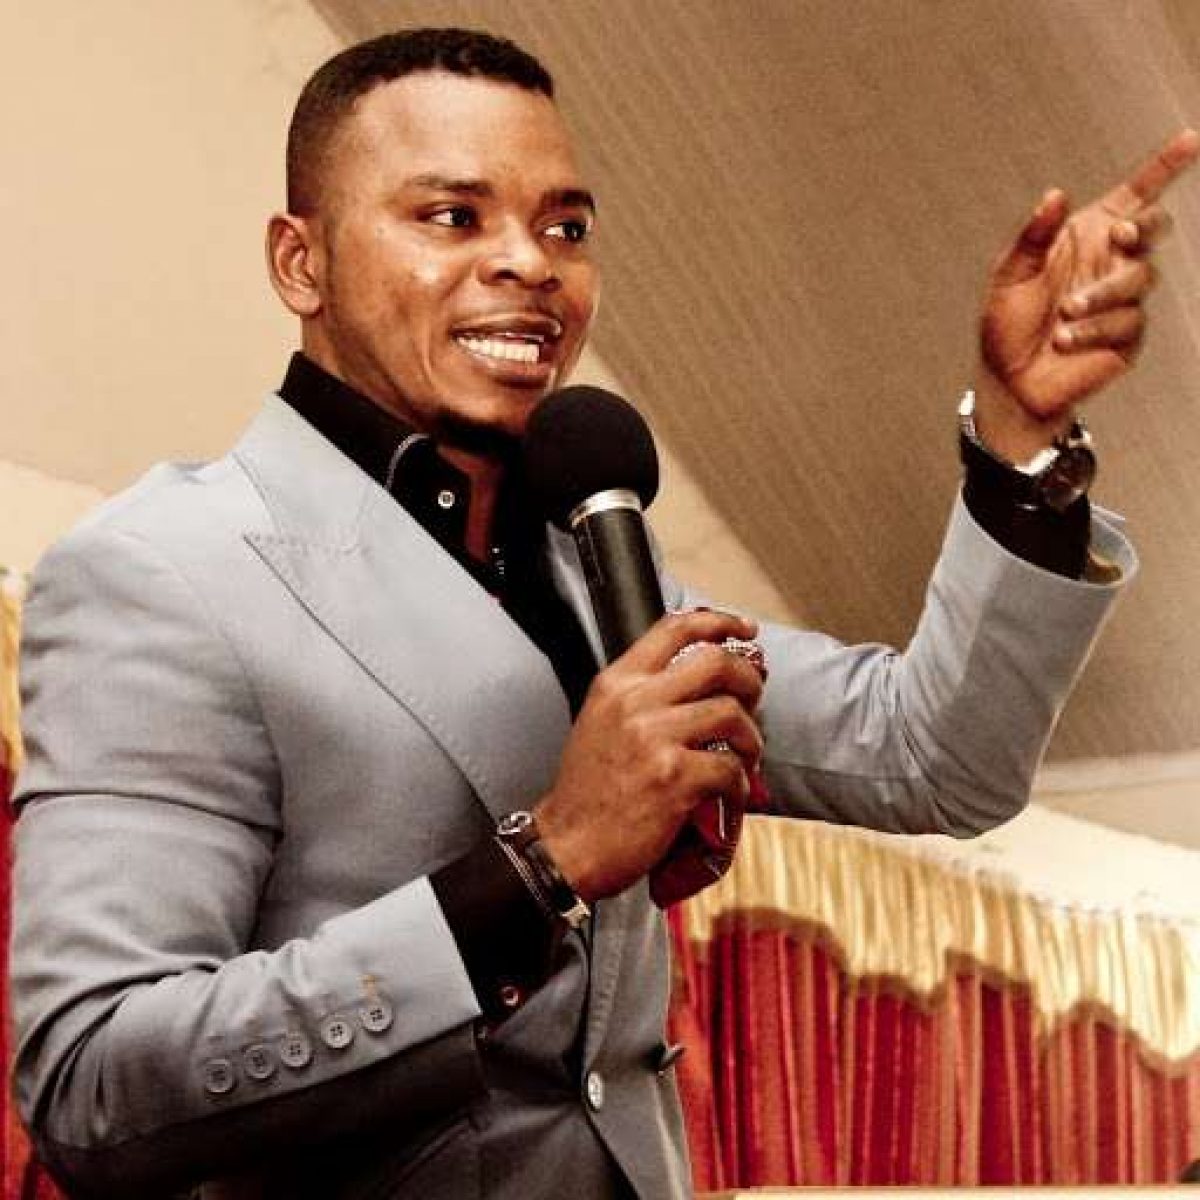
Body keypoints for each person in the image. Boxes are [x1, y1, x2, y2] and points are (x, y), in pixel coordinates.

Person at [8, 26, 1195, 1200]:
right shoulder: (163, 572)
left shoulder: (599, 569)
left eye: (565, 228)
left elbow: (937, 759)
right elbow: (93, 1084)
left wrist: (1018, 444)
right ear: (299, 263)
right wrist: (547, 864)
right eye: (452, 216)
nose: (530, 264)